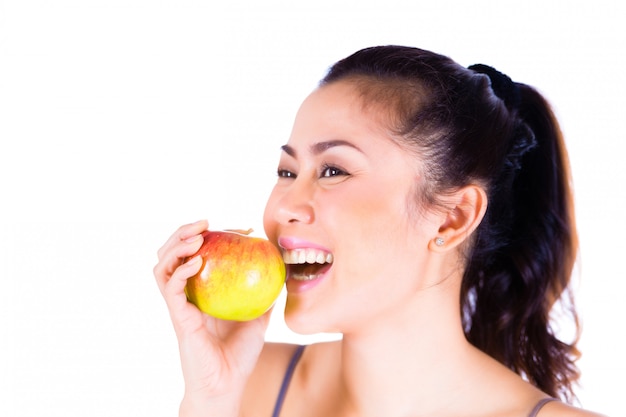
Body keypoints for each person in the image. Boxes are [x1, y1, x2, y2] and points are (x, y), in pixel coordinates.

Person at [153, 45, 605, 417]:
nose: (285, 206)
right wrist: (211, 403)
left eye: (333, 171)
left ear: (453, 217)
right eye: (287, 172)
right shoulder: (242, 389)